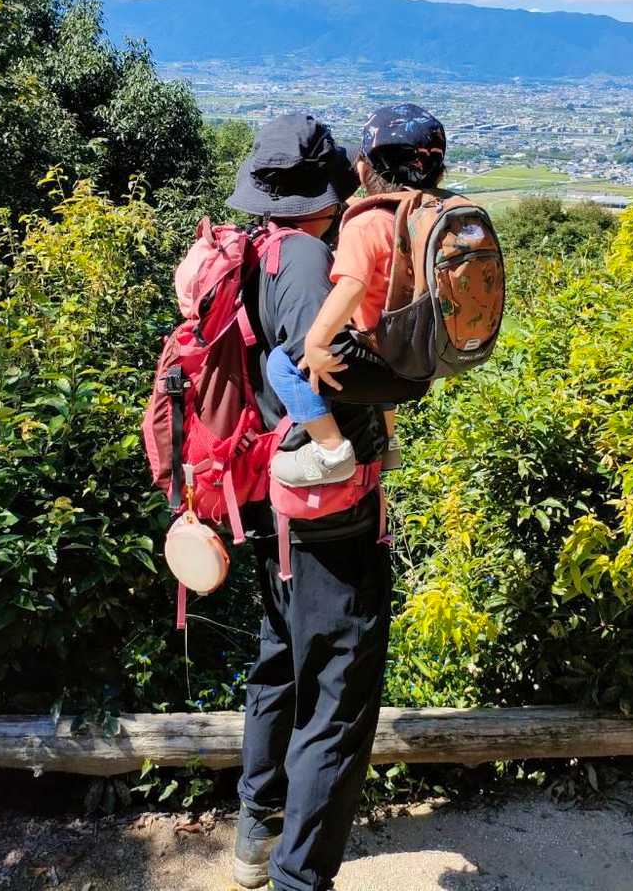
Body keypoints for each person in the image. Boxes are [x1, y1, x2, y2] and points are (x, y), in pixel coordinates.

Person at [226, 112, 422, 891]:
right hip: (326, 508)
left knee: (279, 660)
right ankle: (300, 876)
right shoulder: (310, 258)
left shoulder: (260, 248)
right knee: (338, 696)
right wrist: (410, 376)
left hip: (271, 499)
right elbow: (316, 369)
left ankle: (257, 826)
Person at [267, 104, 447, 489]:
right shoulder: (432, 218)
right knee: (376, 331)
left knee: (282, 362)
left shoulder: (366, 225)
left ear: (363, 170)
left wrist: (316, 344)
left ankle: (330, 451)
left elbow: (351, 287)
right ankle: (390, 442)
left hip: (382, 363)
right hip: (421, 363)